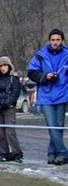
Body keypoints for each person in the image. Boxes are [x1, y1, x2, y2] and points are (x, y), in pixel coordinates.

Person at [28, 28, 68, 165]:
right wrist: (45, 76)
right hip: (46, 95)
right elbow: (32, 72)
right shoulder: (40, 55)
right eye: (53, 40)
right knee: (51, 126)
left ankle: (53, 154)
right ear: (49, 41)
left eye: (58, 40)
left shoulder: (67, 54)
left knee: (59, 126)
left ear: (62, 40)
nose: (55, 42)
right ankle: (63, 152)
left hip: (62, 94)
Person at [0, 56, 24, 162]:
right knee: (0, 133)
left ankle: (17, 153)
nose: (3, 68)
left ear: (9, 66)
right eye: (1, 66)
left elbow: (14, 94)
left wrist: (5, 104)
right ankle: (4, 153)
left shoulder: (14, 79)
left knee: (10, 132)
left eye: (5, 65)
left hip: (9, 108)